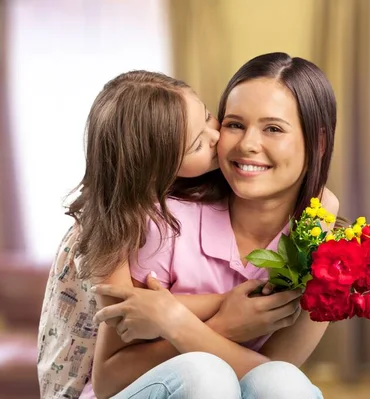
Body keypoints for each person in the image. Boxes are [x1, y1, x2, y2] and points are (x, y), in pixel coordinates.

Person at [37, 69, 315, 398]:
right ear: (161, 167)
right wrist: (223, 314)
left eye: (211, 118)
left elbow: (272, 377)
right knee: (205, 374)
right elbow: (126, 324)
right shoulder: (126, 225)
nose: (222, 140)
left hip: (199, 376)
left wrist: (172, 316)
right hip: (95, 386)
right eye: (198, 143)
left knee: (281, 382)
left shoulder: (313, 232)